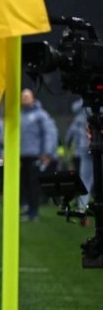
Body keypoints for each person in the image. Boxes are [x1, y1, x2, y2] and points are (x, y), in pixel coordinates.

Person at [18, 88, 58, 222]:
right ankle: (28, 209)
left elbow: (48, 133)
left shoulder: (41, 115)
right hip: (22, 155)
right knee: (25, 184)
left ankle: (34, 212)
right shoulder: (20, 115)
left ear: (33, 98)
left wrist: (47, 152)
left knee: (33, 184)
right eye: (23, 96)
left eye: (27, 96)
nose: (24, 98)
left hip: (35, 155)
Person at [65, 99, 92, 221]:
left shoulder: (79, 118)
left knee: (85, 179)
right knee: (86, 178)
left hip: (83, 148)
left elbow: (69, 136)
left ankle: (81, 207)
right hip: (89, 148)